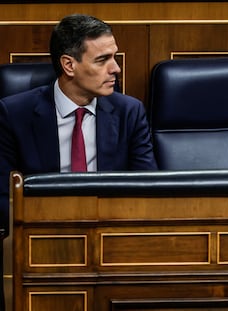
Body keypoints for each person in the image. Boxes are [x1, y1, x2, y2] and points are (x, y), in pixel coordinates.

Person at [0, 15, 158, 307]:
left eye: (115, 57)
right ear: (69, 65)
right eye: (102, 60)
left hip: (113, 245)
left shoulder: (129, 112)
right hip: (43, 245)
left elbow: (147, 189)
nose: (116, 68)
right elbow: (3, 196)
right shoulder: (15, 114)